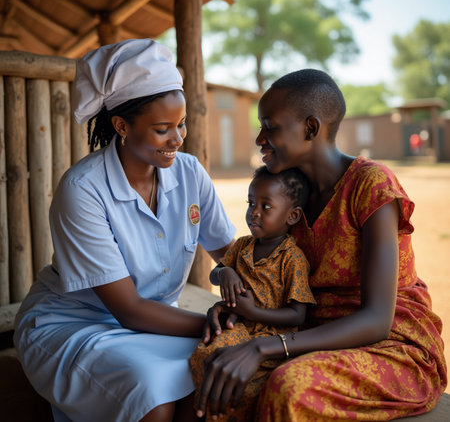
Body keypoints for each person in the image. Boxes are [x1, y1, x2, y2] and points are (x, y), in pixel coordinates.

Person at [196, 69, 447, 421]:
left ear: (311, 128)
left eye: (270, 126)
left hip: (390, 343)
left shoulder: (370, 185)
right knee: (211, 359)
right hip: (308, 329)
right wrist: (233, 299)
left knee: (290, 386)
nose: (259, 138)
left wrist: (265, 346)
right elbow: (257, 267)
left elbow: (377, 320)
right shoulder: (289, 196)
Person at [13, 39, 236, 422]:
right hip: (76, 326)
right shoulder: (83, 190)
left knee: (214, 375)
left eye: (181, 124)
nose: (178, 139)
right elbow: (129, 310)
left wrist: (244, 285)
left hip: (155, 323)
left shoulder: (189, 173)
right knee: (150, 392)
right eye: (162, 129)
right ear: (121, 126)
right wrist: (217, 323)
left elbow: (231, 254)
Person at [190, 166, 316, 420]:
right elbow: (217, 272)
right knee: (205, 356)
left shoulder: (292, 259)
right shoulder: (243, 246)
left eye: (266, 206)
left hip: (273, 339)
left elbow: (297, 315)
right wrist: (225, 273)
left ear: (292, 216)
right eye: (251, 203)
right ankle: (210, 411)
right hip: (238, 327)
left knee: (247, 385)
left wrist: (253, 311)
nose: (254, 212)